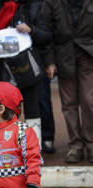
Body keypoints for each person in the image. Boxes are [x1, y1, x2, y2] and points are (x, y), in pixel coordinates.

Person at [0, 0, 51, 149]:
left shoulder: (34, 6)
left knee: (33, 110)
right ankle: (6, 148)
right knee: (4, 112)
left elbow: (47, 36)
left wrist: (31, 31)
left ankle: (33, 150)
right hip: (2, 72)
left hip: (28, 69)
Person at [41, 0, 93, 163]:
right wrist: (49, 62)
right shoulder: (51, 2)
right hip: (64, 56)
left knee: (89, 101)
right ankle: (75, 146)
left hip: (89, 55)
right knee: (69, 103)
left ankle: (91, 144)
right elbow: (46, 32)